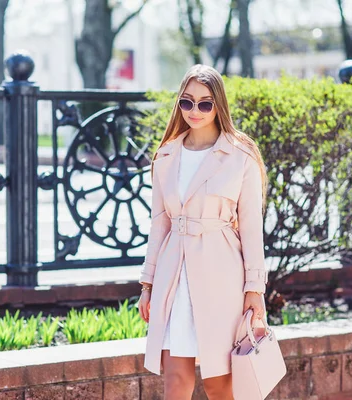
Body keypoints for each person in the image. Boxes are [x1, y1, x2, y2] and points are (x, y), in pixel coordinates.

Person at [138, 64, 268, 399]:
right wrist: (148, 284)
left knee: (219, 382)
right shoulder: (166, 155)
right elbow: (160, 223)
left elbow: (252, 226)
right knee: (176, 380)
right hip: (174, 274)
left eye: (205, 103)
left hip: (221, 275)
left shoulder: (241, 155)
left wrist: (254, 289)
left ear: (219, 105)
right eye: (187, 102)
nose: (195, 111)